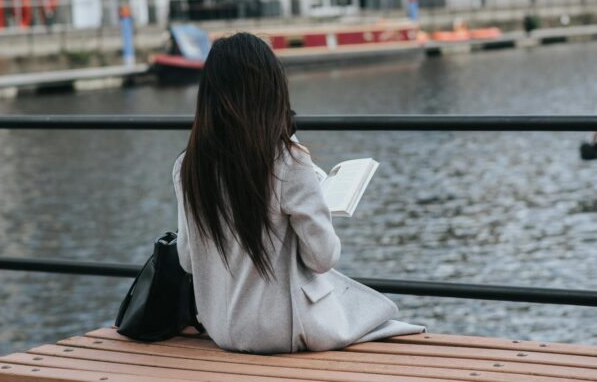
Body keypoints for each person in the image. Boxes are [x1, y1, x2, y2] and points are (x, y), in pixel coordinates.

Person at [174, 32, 424, 353]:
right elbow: (322, 258)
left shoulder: (187, 165)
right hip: (277, 330)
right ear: (270, 90)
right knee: (378, 314)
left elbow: (187, 259)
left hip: (222, 327)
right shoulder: (286, 161)